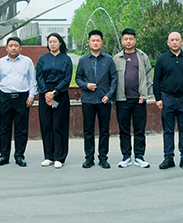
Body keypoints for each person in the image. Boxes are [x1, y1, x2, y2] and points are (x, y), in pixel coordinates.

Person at [154, 31, 183, 171]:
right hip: (167, 98)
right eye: (172, 40)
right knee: (168, 131)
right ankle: (168, 158)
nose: (174, 42)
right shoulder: (162, 59)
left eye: (177, 40)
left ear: (181, 42)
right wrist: (158, 98)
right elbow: (157, 79)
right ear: (168, 43)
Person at [0, 36, 38, 167]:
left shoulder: (27, 61)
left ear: (20, 48)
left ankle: (19, 156)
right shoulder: (1, 62)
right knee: (4, 129)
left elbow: (32, 80)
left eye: (16, 45)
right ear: (6, 48)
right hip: (5, 98)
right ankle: (4, 156)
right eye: (11, 45)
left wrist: (31, 95)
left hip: (22, 98)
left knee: (21, 129)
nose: (13, 48)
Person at [75, 30, 117, 169]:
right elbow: (78, 78)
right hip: (88, 99)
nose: (95, 43)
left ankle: (103, 158)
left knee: (104, 130)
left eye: (98, 40)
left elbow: (114, 79)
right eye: (93, 40)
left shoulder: (108, 60)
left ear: (102, 42)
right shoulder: (83, 60)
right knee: (88, 130)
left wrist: (109, 95)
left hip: (104, 100)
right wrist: (86, 85)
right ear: (89, 42)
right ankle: (89, 158)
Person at [113, 28, 153, 168]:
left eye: (131, 39)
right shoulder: (116, 58)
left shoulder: (142, 56)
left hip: (139, 100)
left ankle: (139, 156)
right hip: (122, 99)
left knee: (139, 129)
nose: (128, 41)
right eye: (126, 39)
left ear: (135, 40)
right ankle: (126, 156)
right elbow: (112, 78)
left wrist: (145, 95)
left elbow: (149, 76)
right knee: (124, 130)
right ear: (122, 41)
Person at [35, 33, 73, 169]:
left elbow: (67, 78)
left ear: (60, 43)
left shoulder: (66, 59)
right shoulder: (42, 58)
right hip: (45, 94)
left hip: (60, 94)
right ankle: (48, 156)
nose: (52, 44)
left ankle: (59, 157)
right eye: (50, 41)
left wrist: (54, 92)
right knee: (46, 125)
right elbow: (39, 76)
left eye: (55, 41)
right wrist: (46, 93)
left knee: (59, 125)